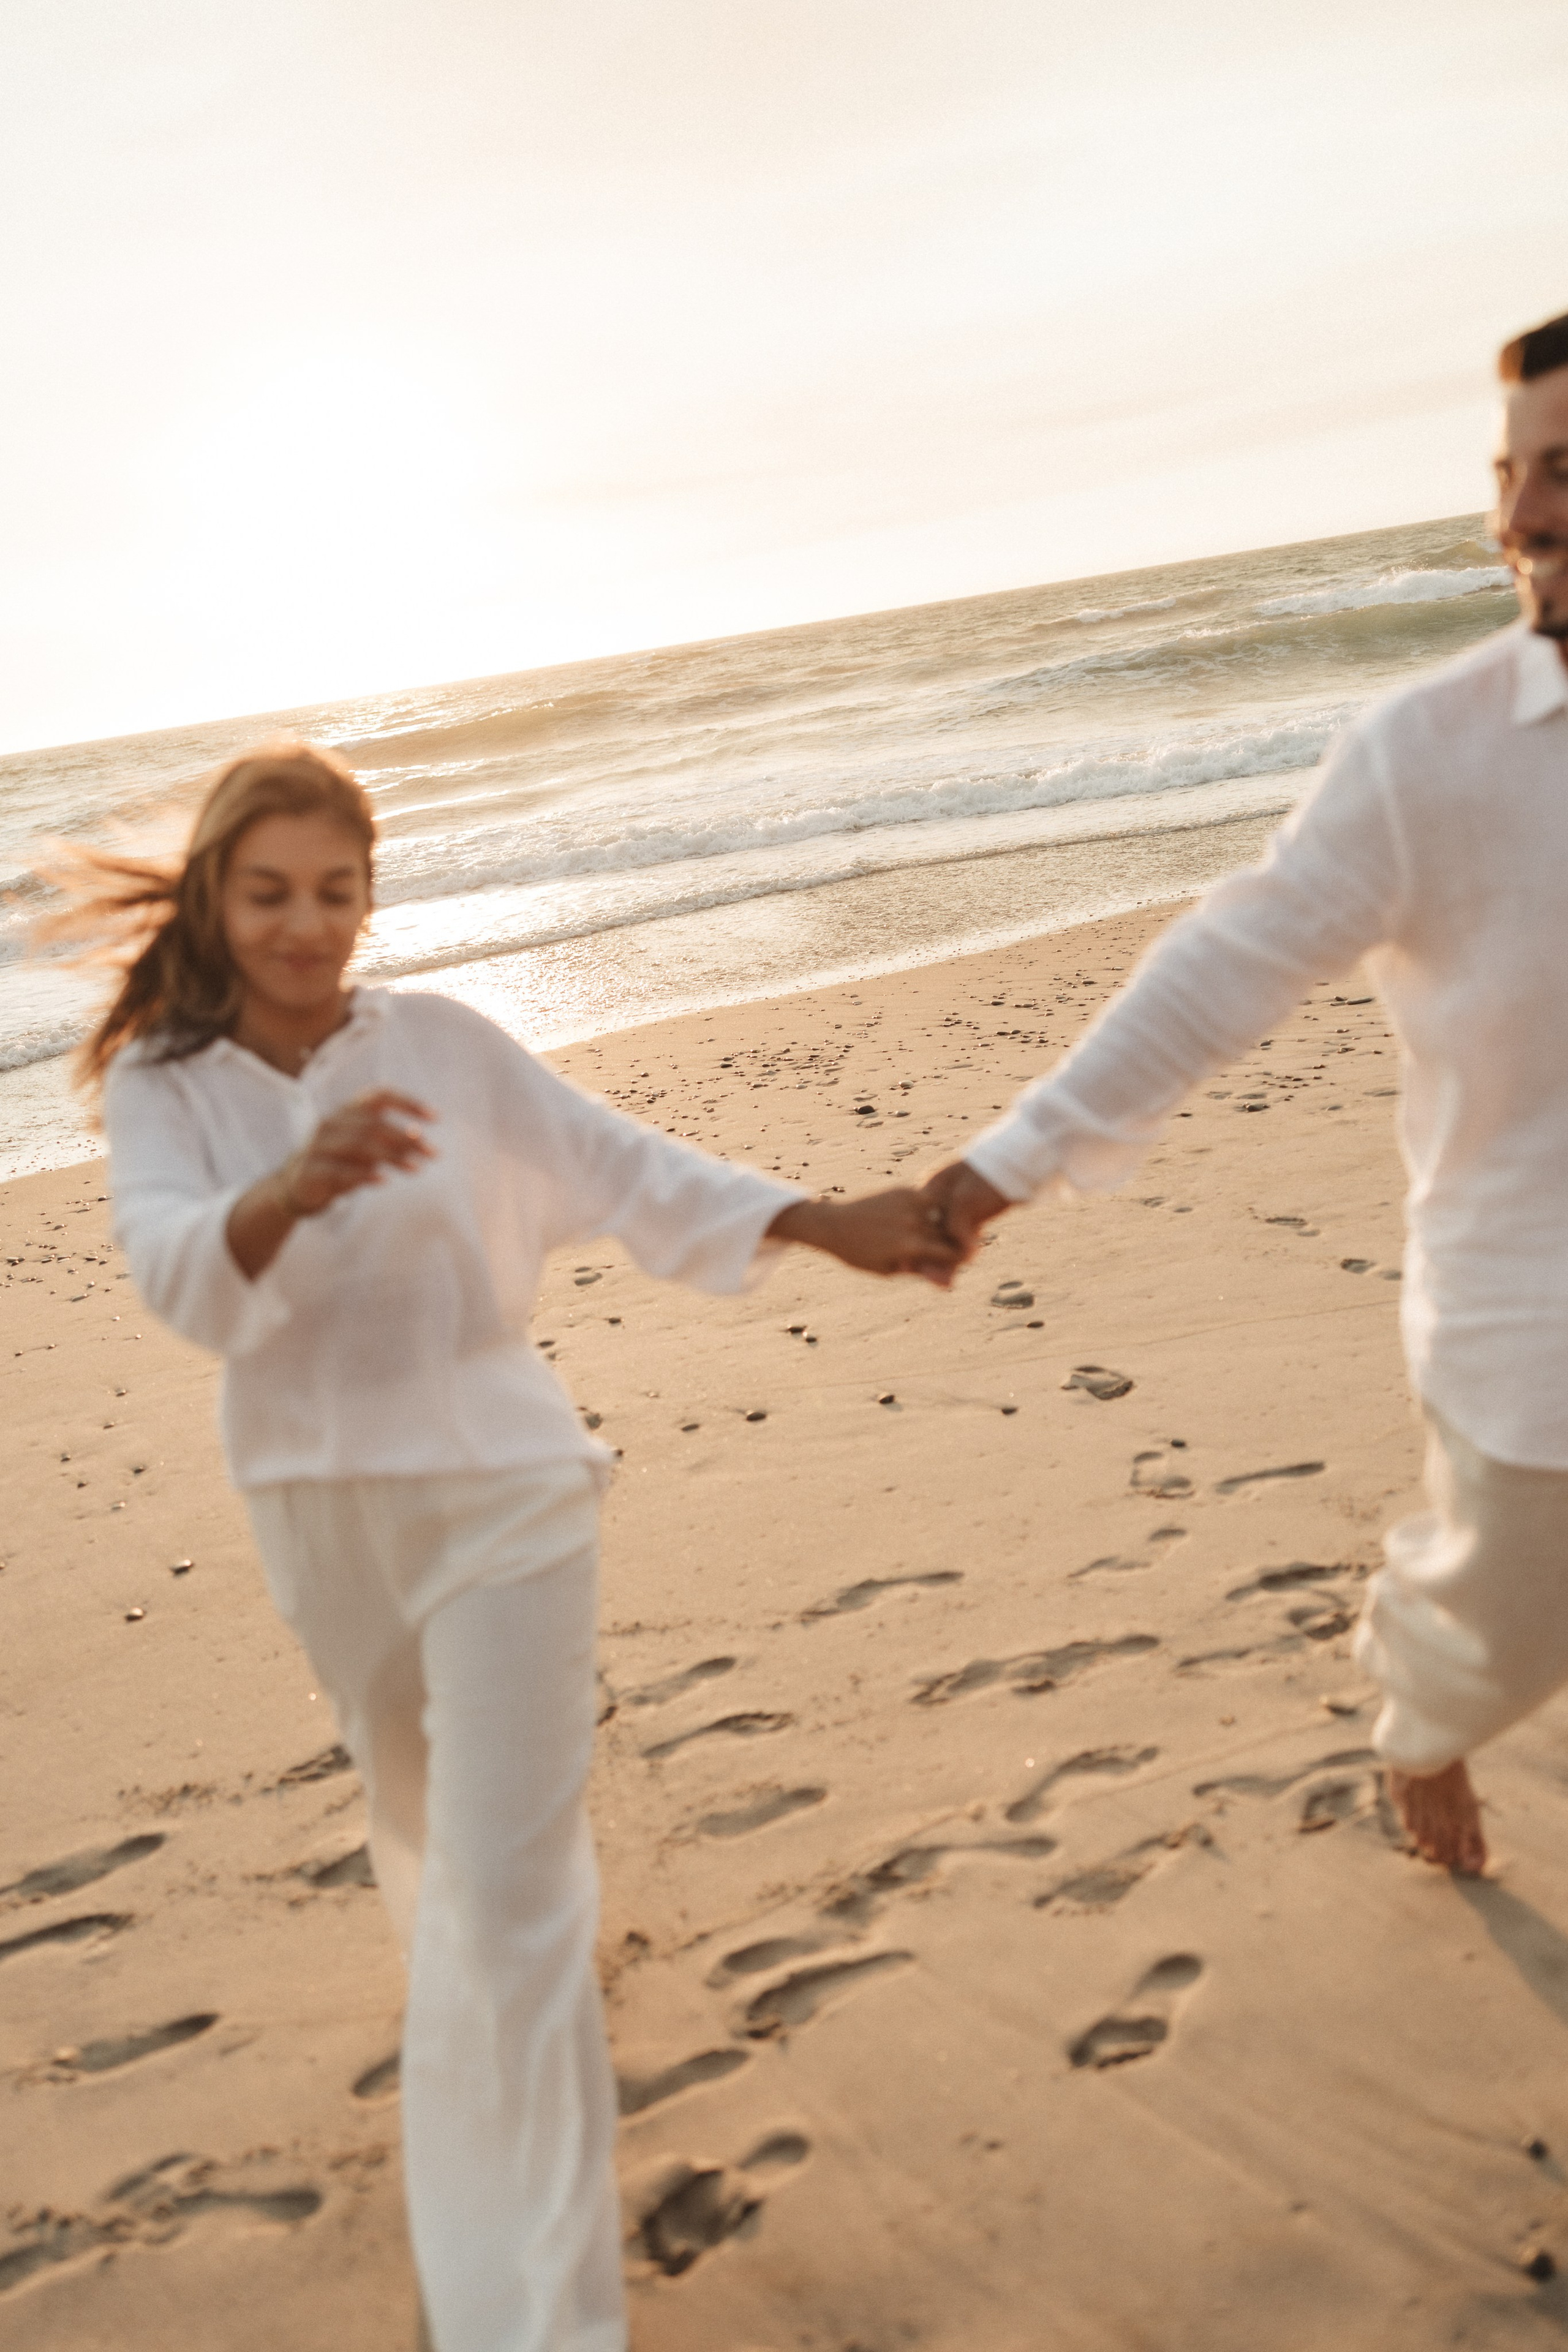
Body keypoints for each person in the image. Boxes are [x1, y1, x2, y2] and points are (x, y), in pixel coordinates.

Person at [74, 742, 958, 2352]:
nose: (304, 925)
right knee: (429, 1851)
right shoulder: (165, 1086)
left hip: (507, 1488)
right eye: (268, 893)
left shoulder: (441, 1043)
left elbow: (613, 1161)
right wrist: (287, 1188)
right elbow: (172, 1273)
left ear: (370, 897)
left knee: (514, 1901)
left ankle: (536, 2320)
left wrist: (822, 1220)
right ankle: (484, 2135)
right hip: (324, 1514)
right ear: (211, 896)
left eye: (336, 892)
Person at [921, 308, 1568, 1882]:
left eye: (1559, 470)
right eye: (1506, 474)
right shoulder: (1426, 757)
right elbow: (1225, 966)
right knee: (1504, 1632)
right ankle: (1417, 1702)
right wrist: (1004, 1164)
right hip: (1528, 1312)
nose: (1518, 517)